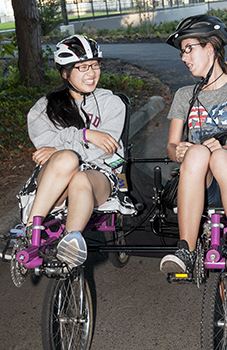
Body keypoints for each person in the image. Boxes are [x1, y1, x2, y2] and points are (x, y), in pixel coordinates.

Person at [0, 35, 135, 266]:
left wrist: (62, 143)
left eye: (94, 65)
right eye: (82, 67)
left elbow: (105, 150)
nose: (91, 73)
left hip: (98, 176)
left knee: (77, 173)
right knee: (65, 159)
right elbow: (44, 146)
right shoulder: (45, 107)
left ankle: (71, 241)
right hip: (56, 179)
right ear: (65, 73)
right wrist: (85, 134)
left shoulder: (112, 103)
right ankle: (29, 232)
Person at [159, 15, 227, 282]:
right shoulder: (185, 95)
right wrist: (180, 152)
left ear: (209, 48)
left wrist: (222, 148)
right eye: (182, 52)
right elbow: (171, 147)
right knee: (198, 152)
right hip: (201, 179)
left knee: (218, 156)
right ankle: (185, 249)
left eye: (189, 49)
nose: (184, 57)